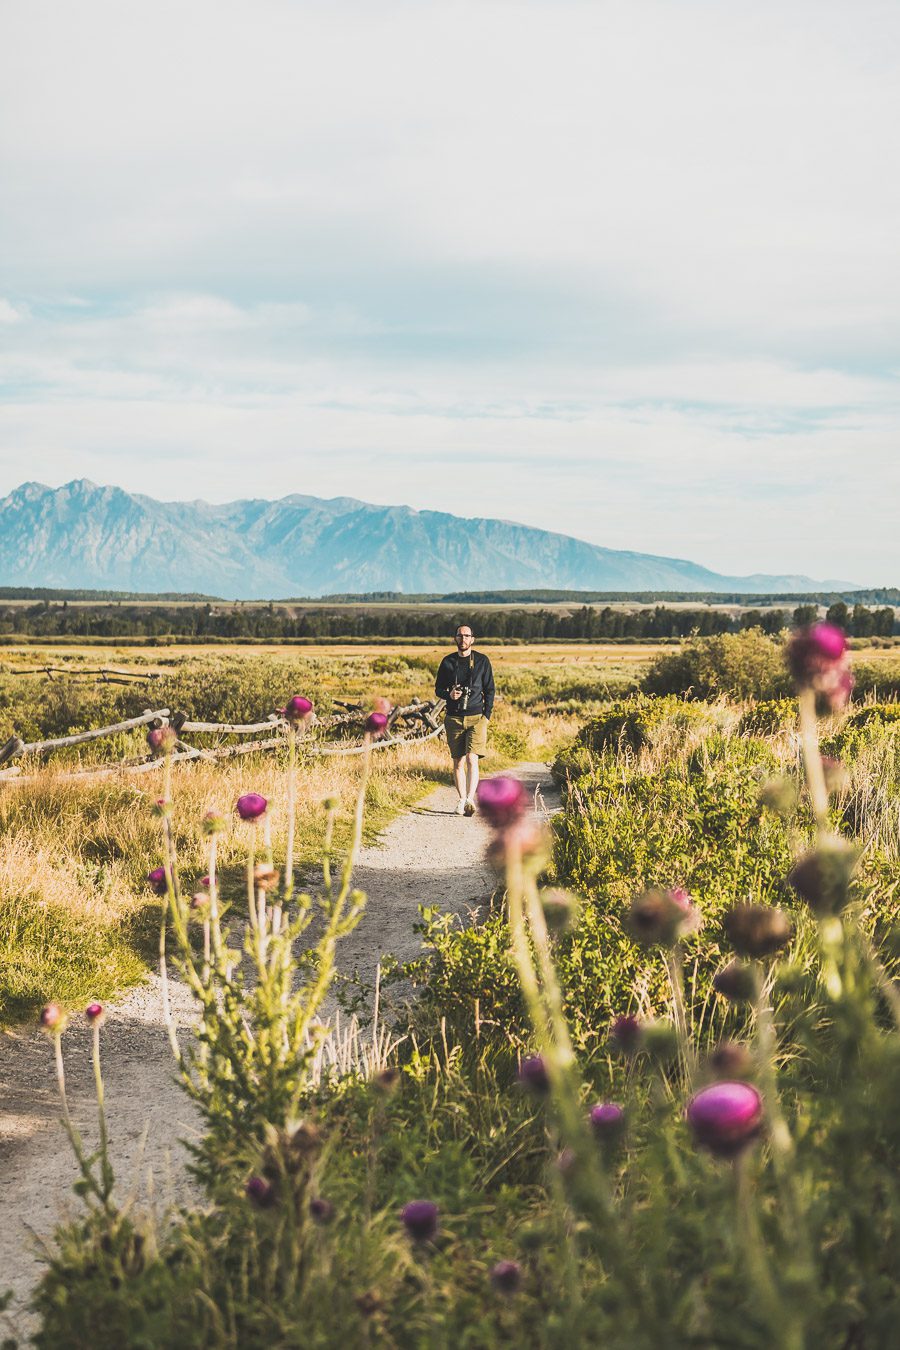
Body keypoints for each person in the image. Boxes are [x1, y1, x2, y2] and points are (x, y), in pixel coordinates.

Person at [434, 624, 495, 816]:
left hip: (477, 717)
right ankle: (461, 800)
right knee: (458, 762)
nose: (463, 639)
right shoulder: (447, 662)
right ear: (455, 639)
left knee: (472, 758)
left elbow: (490, 689)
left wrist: (487, 716)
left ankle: (470, 799)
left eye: (467, 636)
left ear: (472, 639)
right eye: (460, 636)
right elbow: (438, 689)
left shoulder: (482, 661)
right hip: (454, 718)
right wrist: (449, 694)